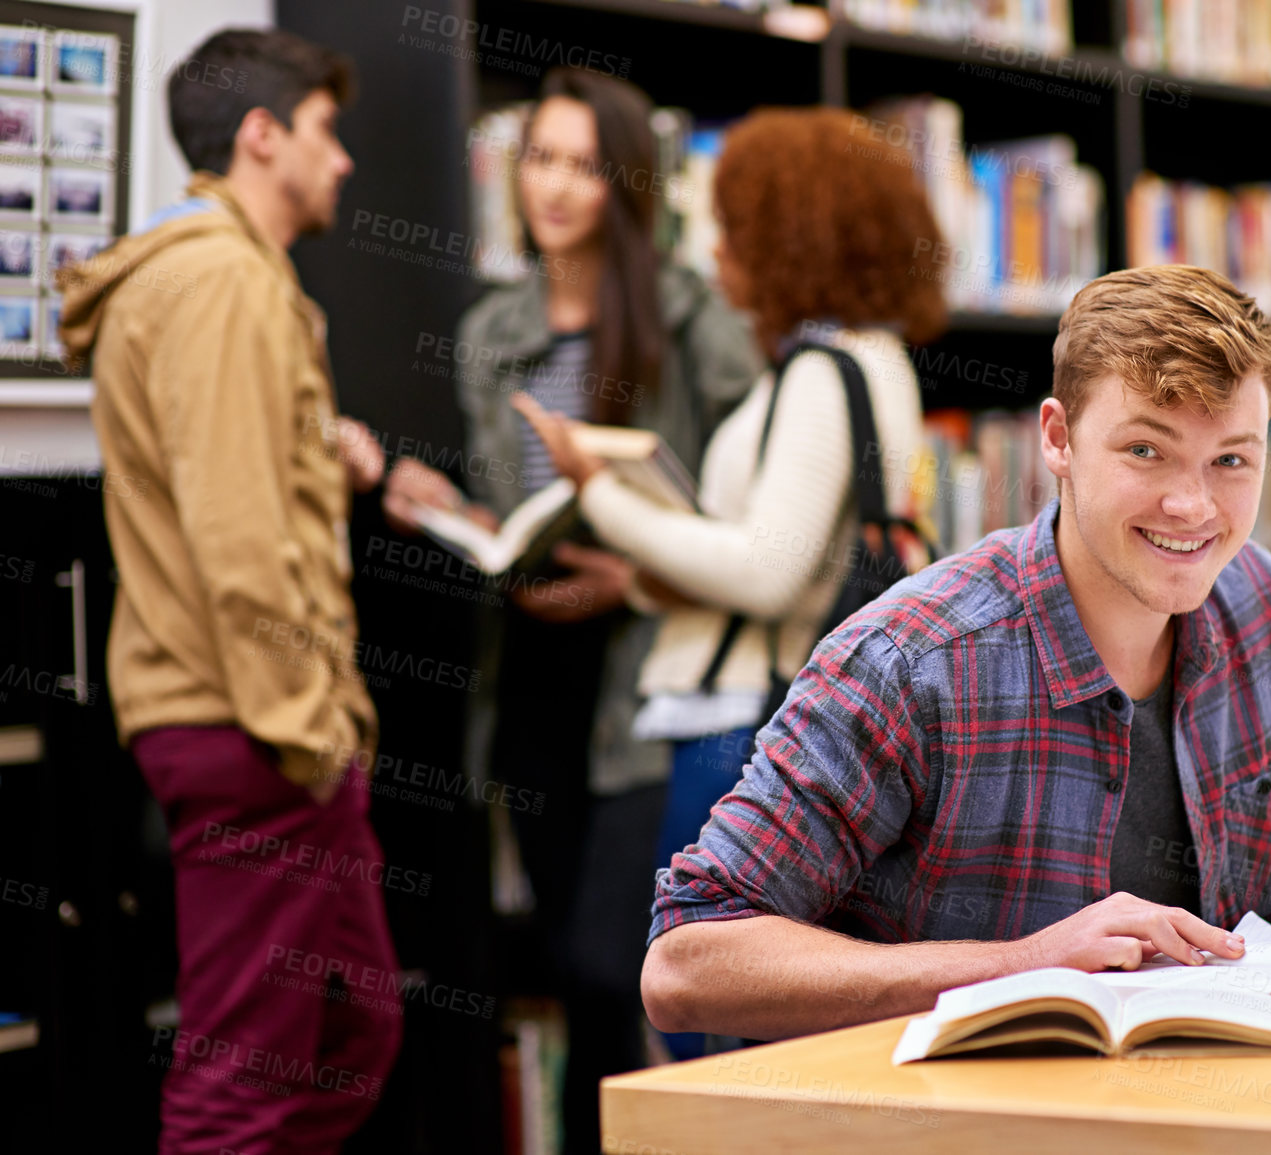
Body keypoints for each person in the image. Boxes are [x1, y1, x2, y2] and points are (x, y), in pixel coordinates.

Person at [632, 264, 1271, 1042]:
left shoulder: (1260, 606)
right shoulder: (910, 659)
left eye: (1231, 460)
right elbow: (686, 965)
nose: (1193, 507)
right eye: (1145, 451)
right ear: (1057, 439)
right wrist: (1020, 966)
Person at [380, 68, 761, 1149]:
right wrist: (450, 510)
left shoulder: (689, 316)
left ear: (628, 182)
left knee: (629, 961)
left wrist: (630, 575)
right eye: (538, 156)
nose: (553, 185)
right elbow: (516, 510)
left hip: (654, 674)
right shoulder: (494, 327)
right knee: (568, 963)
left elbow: (745, 517)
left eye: (584, 164)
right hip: (534, 678)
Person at [513, 106, 948, 1005]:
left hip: (737, 720)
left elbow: (766, 569)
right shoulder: (874, 361)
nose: (713, 253)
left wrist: (596, 491)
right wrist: (640, 577)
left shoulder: (819, 373)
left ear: (791, 238)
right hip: (763, 695)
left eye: (732, 227)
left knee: (696, 991)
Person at [58, 28, 399, 1153]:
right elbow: (237, 537)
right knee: (246, 1077)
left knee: (345, 1035)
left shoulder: (235, 278)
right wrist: (308, 730)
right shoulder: (218, 283)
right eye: (322, 131)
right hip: (255, 726)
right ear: (262, 137)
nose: (342, 160)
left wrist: (319, 444)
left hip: (260, 723)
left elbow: (241, 478)